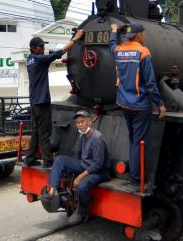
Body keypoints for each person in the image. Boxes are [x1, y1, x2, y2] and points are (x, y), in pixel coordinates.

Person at [110, 22, 166, 186]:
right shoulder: (143, 52)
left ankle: (134, 173)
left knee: (133, 138)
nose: (144, 36)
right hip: (140, 105)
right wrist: (160, 104)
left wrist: (114, 32)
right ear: (139, 35)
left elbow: (111, 45)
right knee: (139, 142)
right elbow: (150, 83)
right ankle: (136, 178)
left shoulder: (119, 50)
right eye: (143, 33)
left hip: (124, 103)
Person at [38, 110, 110, 224]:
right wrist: (70, 169)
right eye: (77, 122)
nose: (80, 125)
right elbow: (78, 156)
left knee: (82, 185)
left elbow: (98, 164)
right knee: (60, 159)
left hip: (99, 172)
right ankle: (51, 193)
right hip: (85, 165)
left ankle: (81, 211)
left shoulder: (97, 138)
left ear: (89, 122)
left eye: (82, 121)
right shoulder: (83, 137)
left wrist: (80, 176)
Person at [25, 30, 84, 167]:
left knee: (36, 131)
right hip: (42, 101)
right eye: (40, 46)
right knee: (45, 132)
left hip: (34, 101)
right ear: (33, 48)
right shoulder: (40, 60)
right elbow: (61, 52)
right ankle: (48, 161)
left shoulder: (30, 59)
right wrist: (75, 39)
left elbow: (48, 55)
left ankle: (29, 159)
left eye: (43, 45)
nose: (43, 48)